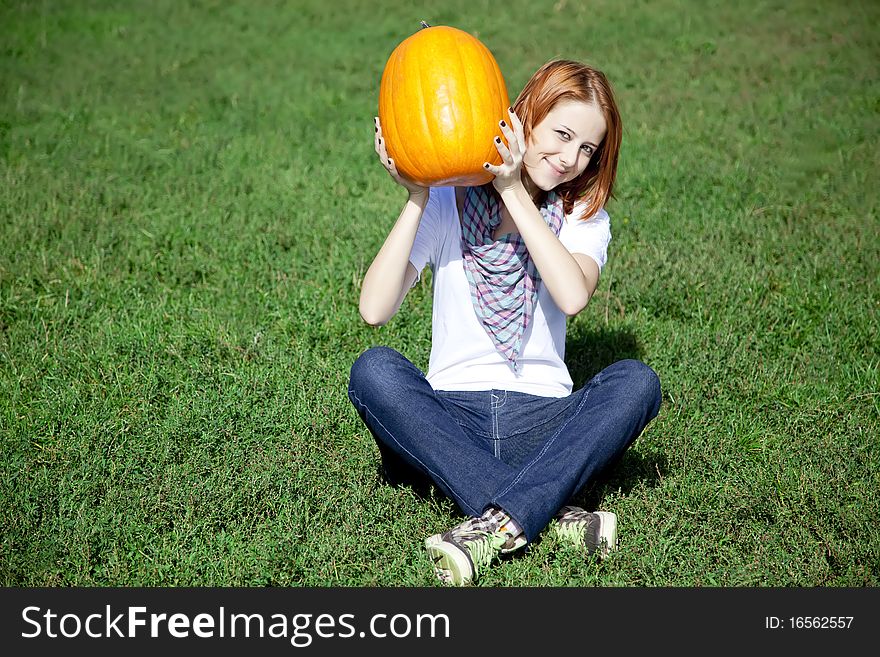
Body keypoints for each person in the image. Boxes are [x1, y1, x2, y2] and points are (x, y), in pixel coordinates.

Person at [348, 59, 661, 585]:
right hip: (451, 417)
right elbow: (374, 310)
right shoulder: (449, 199)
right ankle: (545, 511)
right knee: (374, 371)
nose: (570, 160)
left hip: (543, 422)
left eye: (587, 149)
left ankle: (491, 518)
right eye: (561, 136)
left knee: (637, 382)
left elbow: (571, 293)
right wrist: (418, 195)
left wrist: (515, 190)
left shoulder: (584, 217)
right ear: (525, 117)